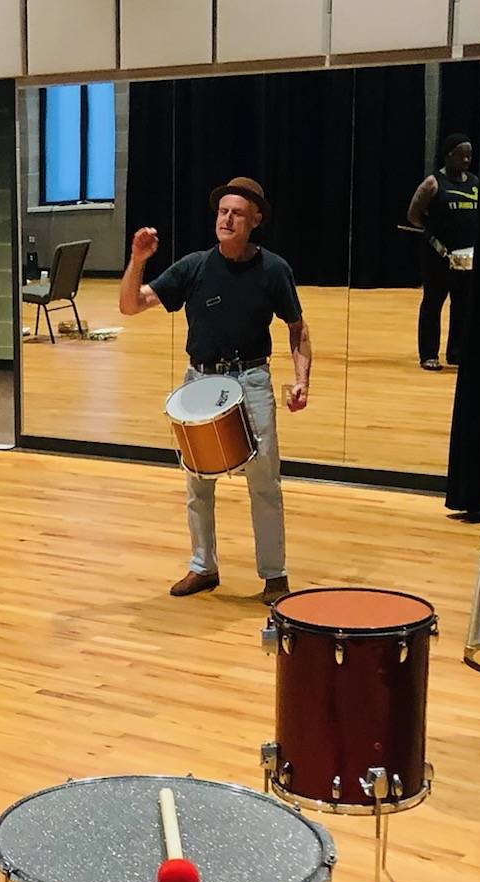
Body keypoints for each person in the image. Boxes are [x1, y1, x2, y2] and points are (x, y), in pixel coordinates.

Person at [120, 176, 310, 604]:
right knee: (196, 482)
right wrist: (137, 259)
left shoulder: (274, 270)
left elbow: (297, 329)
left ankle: (274, 575)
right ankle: (202, 567)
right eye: (223, 211)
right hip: (200, 380)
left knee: (263, 482)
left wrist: (301, 380)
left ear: (255, 220)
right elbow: (130, 306)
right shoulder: (194, 266)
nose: (226, 219)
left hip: (252, 379)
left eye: (237, 213)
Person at [407, 134, 478, 369]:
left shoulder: (475, 183)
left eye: (469, 155)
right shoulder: (433, 183)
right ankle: (428, 354)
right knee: (433, 303)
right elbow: (413, 215)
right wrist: (432, 236)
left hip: (465, 258)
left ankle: (456, 352)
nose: (467, 159)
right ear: (449, 155)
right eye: (461, 155)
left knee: (463, 304)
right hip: (438, 256)